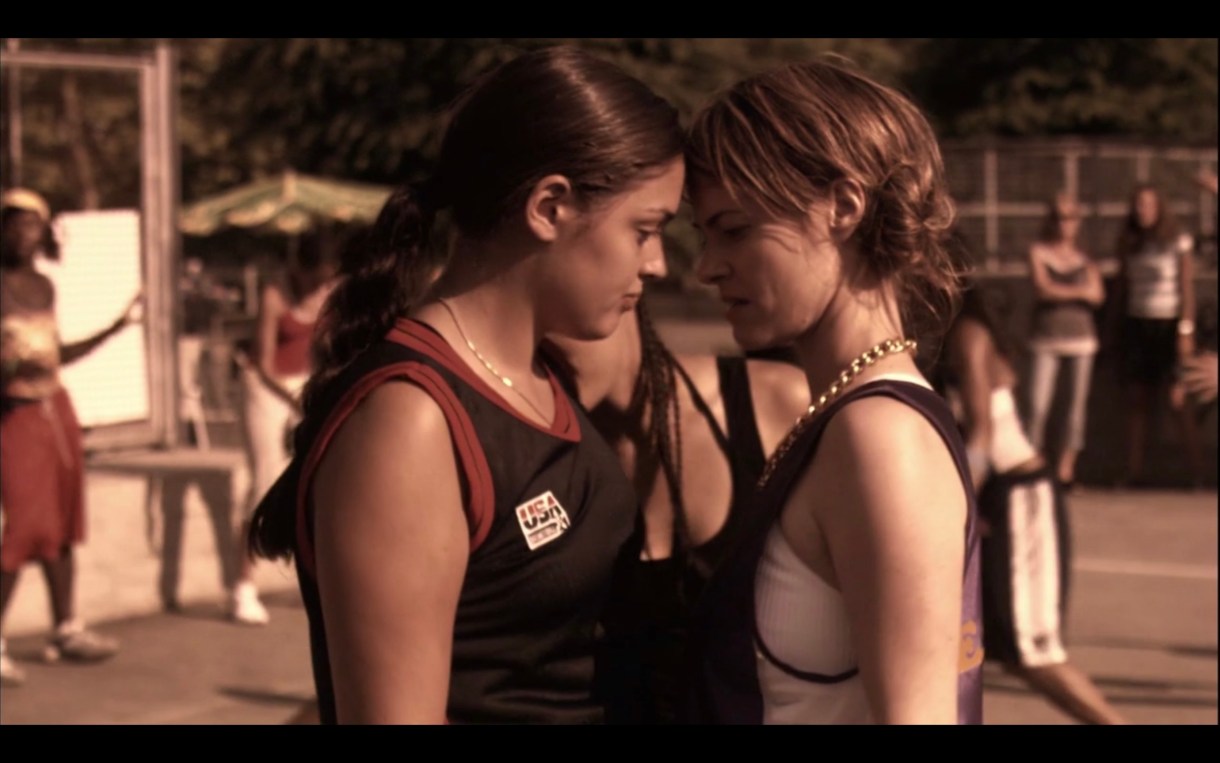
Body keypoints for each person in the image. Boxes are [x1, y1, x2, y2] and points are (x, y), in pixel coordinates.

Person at [247, 45, 685, 724]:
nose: (657, 264)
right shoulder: (412, 421)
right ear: (550, 207)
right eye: (645, 230)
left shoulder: (542, 373)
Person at [683, 55, 984, 724]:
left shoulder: (882, 433)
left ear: (843, 207)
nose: (706, 266)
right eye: (702, 234)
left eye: (734, 229)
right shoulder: (845, 413)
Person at [545, 300, 810, 724]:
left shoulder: (777, 406)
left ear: (629, 286)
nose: (536, 356)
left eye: (549, 320)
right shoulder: (545, 457)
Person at [939, 279, 1126, 725]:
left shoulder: (967, 332)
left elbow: (981, 433)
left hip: (1019, 495)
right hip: (998, 497)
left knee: (1033, 654)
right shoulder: (942, 336)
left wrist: (958, 510)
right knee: (979, 647)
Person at [0, 188, 141, 687]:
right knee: (20, 527)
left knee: (61, 522)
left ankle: (66, 626)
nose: (22, 234)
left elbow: (56, 355)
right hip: (13, 418)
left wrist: (115, 328)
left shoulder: (44, 287)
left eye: (30, 225)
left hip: (56, 414)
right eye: (12, 223)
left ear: (43, 233)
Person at [229, 237, 338, 625]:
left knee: (324, 477)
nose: (317, 286)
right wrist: (294, 401)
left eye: (324, 279)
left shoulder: (331, 292)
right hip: (268, 386)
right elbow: (262, 362)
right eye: (313, 278)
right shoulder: (275, 294)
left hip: (306, 382)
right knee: (264, 479)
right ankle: (243, 585)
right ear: (300, 270)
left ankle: (320, 576)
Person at [1111, 184, 1204, 488]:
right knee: (1137, 400)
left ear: (1159, 207)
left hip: (1169, 324)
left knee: (1177, 400)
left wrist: (1185, 328)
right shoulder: (1130, 241)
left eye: (1149, 205)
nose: (1143, 210)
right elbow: (1123, 287)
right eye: (1138, 204)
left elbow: (1187, 287)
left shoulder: (1177, 240)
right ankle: (1133, 472)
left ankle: (1197, 473)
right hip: (1139, 324)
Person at [1024, 193, 1105, 489]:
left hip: (1082, 339)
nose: (1064, 223)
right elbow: (1043, 290)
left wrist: (1064, 290)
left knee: (1075, 409)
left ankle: (1065, 472)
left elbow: (1097, 295)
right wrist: (1078, 291)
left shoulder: (1085, 257)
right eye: (1058, 216)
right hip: (1046, 338)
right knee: (1037, 405)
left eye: (1070, 217)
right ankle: (1034, 466)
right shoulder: (1038, 251)